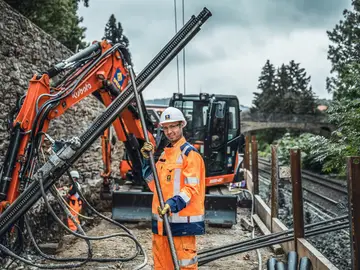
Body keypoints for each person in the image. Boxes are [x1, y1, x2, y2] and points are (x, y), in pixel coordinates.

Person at [140, 107, 206, 270]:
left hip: (181, 226)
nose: (170, 131)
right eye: (166, 127)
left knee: (184, 266)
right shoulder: (163, 155)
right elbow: (154, 186)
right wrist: (146, 162)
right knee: (161, 267)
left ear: (182, 125)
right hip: (161, 226)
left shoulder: (190, 155)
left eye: (173, 126)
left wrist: (172, 204)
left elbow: (192, 188)